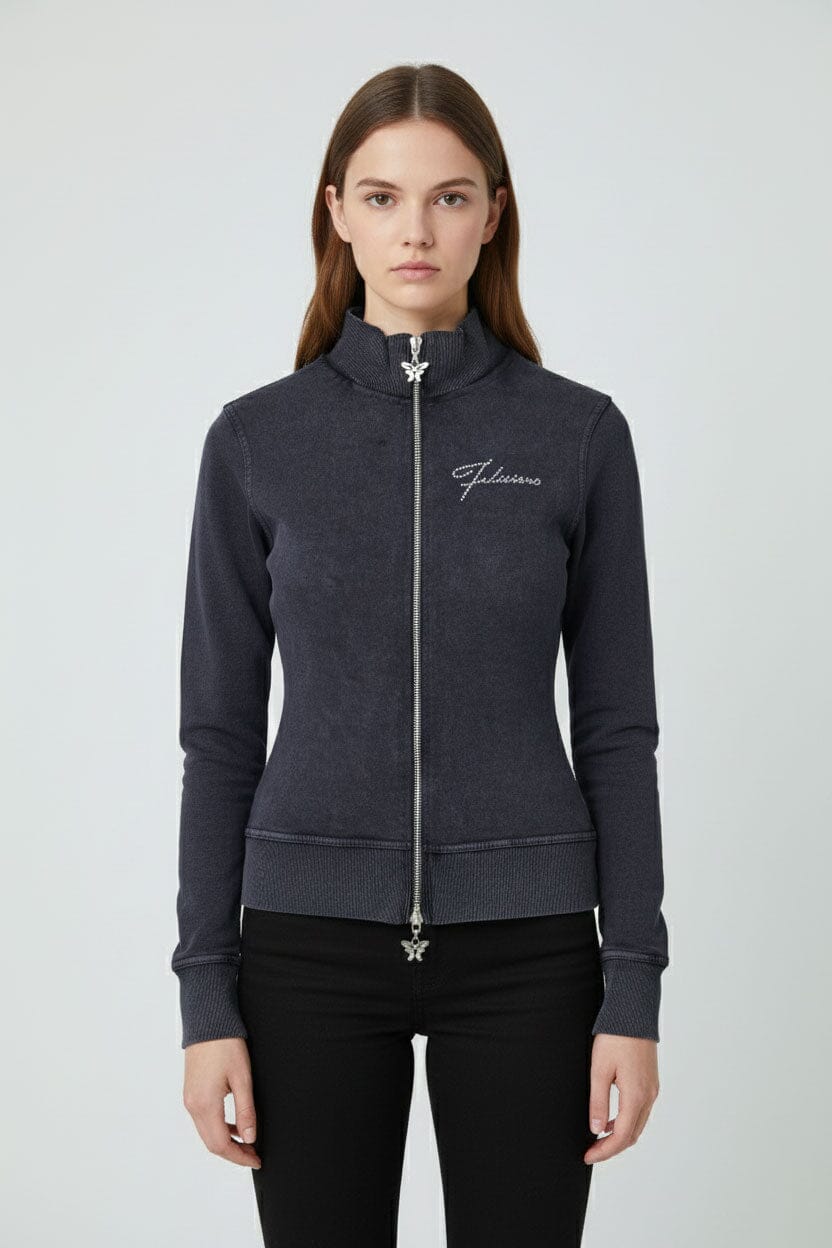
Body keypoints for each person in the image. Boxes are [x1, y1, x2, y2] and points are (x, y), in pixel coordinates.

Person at [170, 62, 670, 1247]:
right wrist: (205, 998)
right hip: (303, 950)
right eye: (383, 197)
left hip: (531, 951)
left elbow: (617, 730)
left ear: (492, 213)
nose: (415, 230)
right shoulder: (256, 441)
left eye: (448, 197)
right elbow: (219, 737)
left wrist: (633, 987)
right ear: (335, 212)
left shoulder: (576, 435)